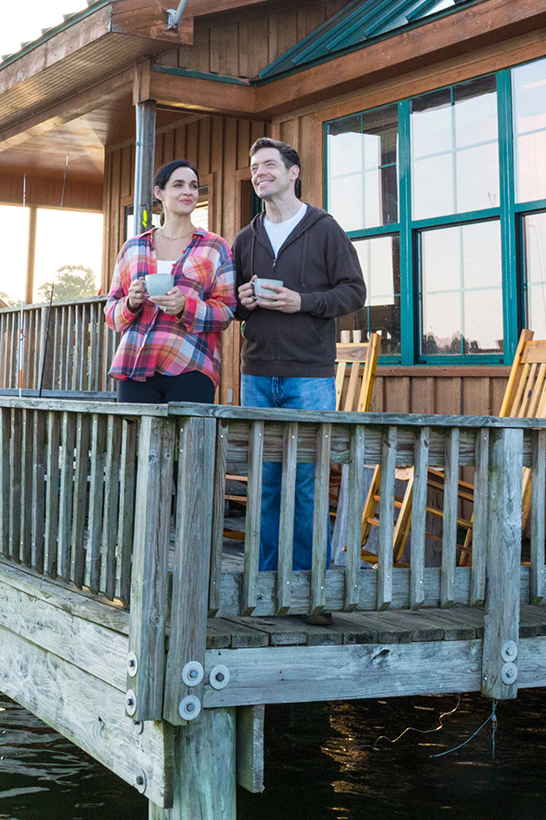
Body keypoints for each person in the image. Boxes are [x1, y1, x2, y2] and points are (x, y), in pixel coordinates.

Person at [232, 136, 367, 598]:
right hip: (256, 375)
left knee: (306, 483)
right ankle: (271, 586)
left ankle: (312, 593)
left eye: (269, 164)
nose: (259, 171)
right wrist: (242, 301)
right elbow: (235, 306)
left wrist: (302, 302)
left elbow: (354, 293)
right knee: (267, 482)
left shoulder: (325, 229)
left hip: (309, 376)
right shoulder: (246, 238)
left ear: (293, 174)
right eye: (254, 166)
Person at [105, 160, 236, 404]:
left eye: (194, 186)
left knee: (190, 442)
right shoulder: (133, 247)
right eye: (178, 185)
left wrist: (186, 306)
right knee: (136, 442)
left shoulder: (215, 247)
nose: (188, 191)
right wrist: (130, 303)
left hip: (192, 364)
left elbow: (227, 311)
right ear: (159, 193)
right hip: (136, 366)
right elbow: (111, 313)